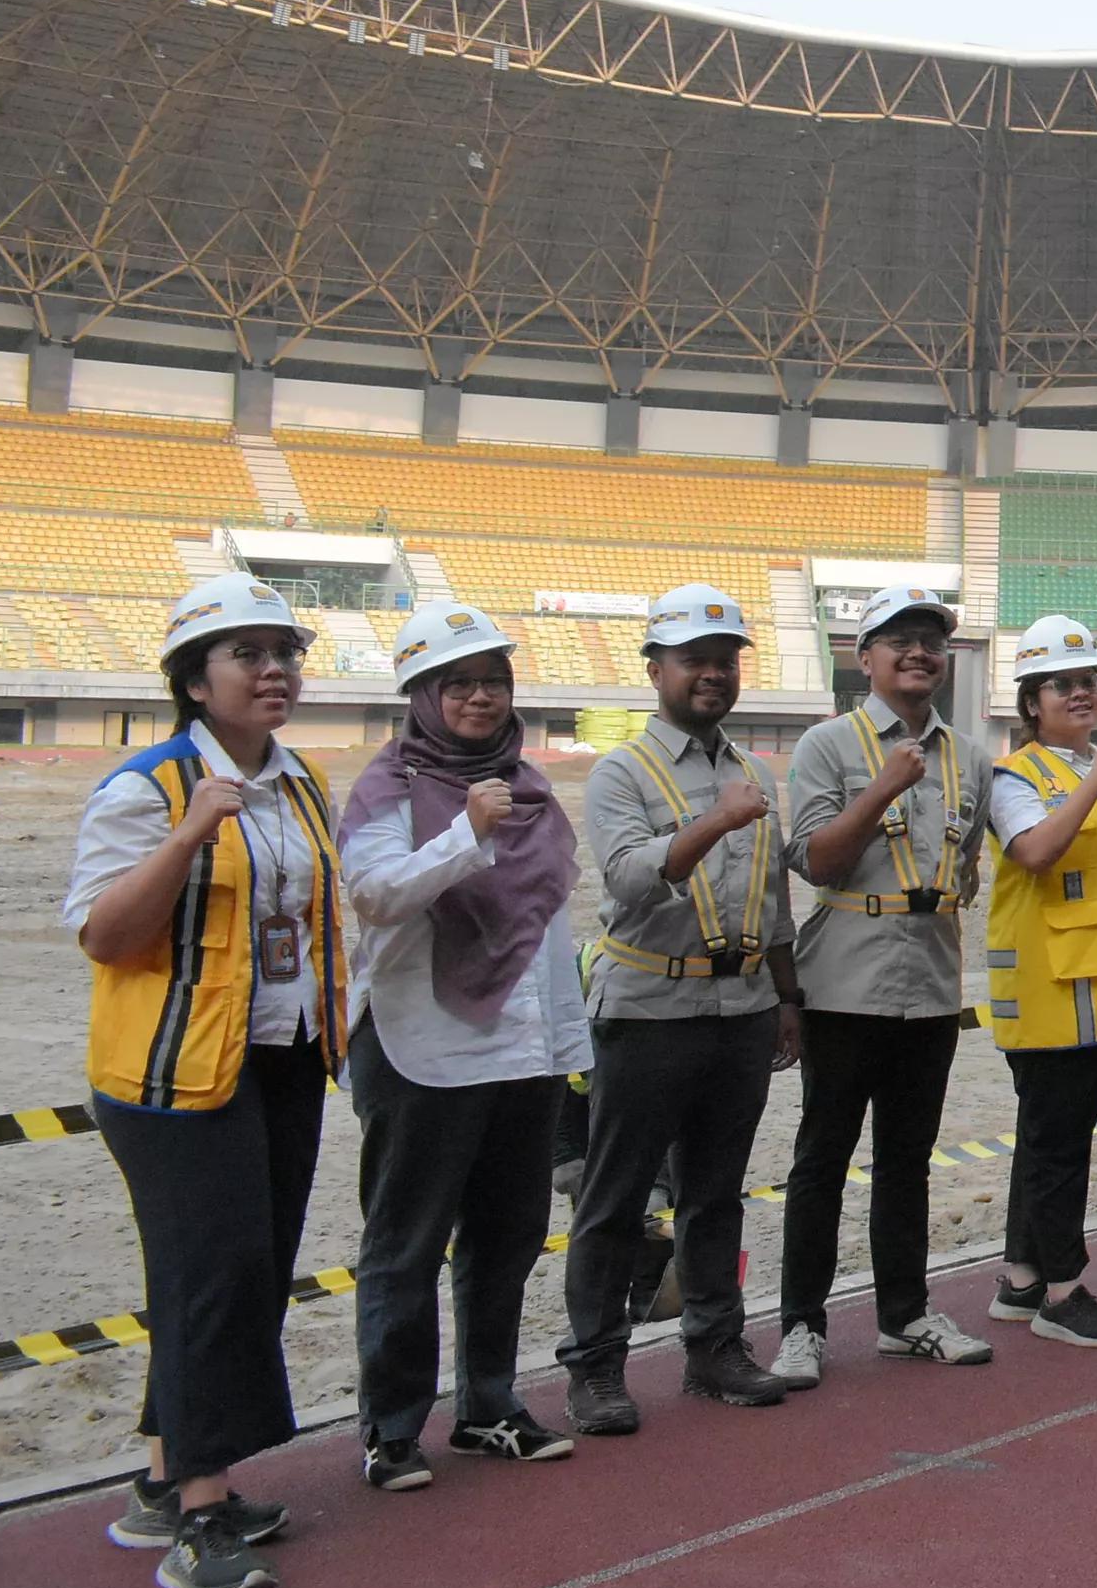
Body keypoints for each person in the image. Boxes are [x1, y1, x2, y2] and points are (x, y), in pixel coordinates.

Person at [66, 575, 343, 1588]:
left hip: (277, 1058)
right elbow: (101, 932)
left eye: (286, 652)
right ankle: (200, 1509)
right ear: (194, 679)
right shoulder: (148, 787)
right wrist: (189, 834)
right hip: (170, 1074)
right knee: (212, 1275)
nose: (276, 670)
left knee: (249, 1273)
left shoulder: (301, 780)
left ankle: (156, 1478)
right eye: (250, 654)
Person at [340, 604, 591, 1493]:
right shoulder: (390, 790)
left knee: (506, 1237)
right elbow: (372, 894)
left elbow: (546, 929)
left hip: (520, 1054)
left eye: (494, 680)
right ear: (421, 695)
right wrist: (464, 836)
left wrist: (568, 1040)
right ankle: (392, 1428)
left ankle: (488, 1405)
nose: (481, 697)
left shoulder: (527, 786)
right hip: (423, 1046)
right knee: (404, 1242)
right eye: (460, 683)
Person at [558, 583, 800, 1432]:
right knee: (616, 1195)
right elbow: (627, 877)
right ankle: (593, 1366)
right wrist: (715, 820)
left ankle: (714, 1347)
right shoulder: (623, 770)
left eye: (725, 659)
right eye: (694, 659)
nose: (712, 673)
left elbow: (770, 897)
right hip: (648, 1006)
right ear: (655, 667)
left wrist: (785, 994)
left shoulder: (750, 769)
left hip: (739, 1006)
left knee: (716, 1191)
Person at [773, 585, 991, 1387]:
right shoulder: (828, 745)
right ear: (863, 658)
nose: (918, 652)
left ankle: (904, 1313)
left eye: (931, 640)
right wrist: (884, 787)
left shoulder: (968, 753)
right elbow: (819, 862)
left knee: (908, 1160)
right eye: (896, 639)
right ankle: (801, 1325)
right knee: (821, 1159)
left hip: (930, 984)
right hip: (843, 982)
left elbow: (965, 865)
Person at [981, 615, 1097, 1349]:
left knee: (1050, 1135)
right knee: (1060, 1144)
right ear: (1031, 701)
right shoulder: (1016, 776)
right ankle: (1063, 1290)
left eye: (1089, 680)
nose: (1081, 692)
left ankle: (1022, 1277)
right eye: (1064, 683)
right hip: (1052, 991)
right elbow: (1038, 851)